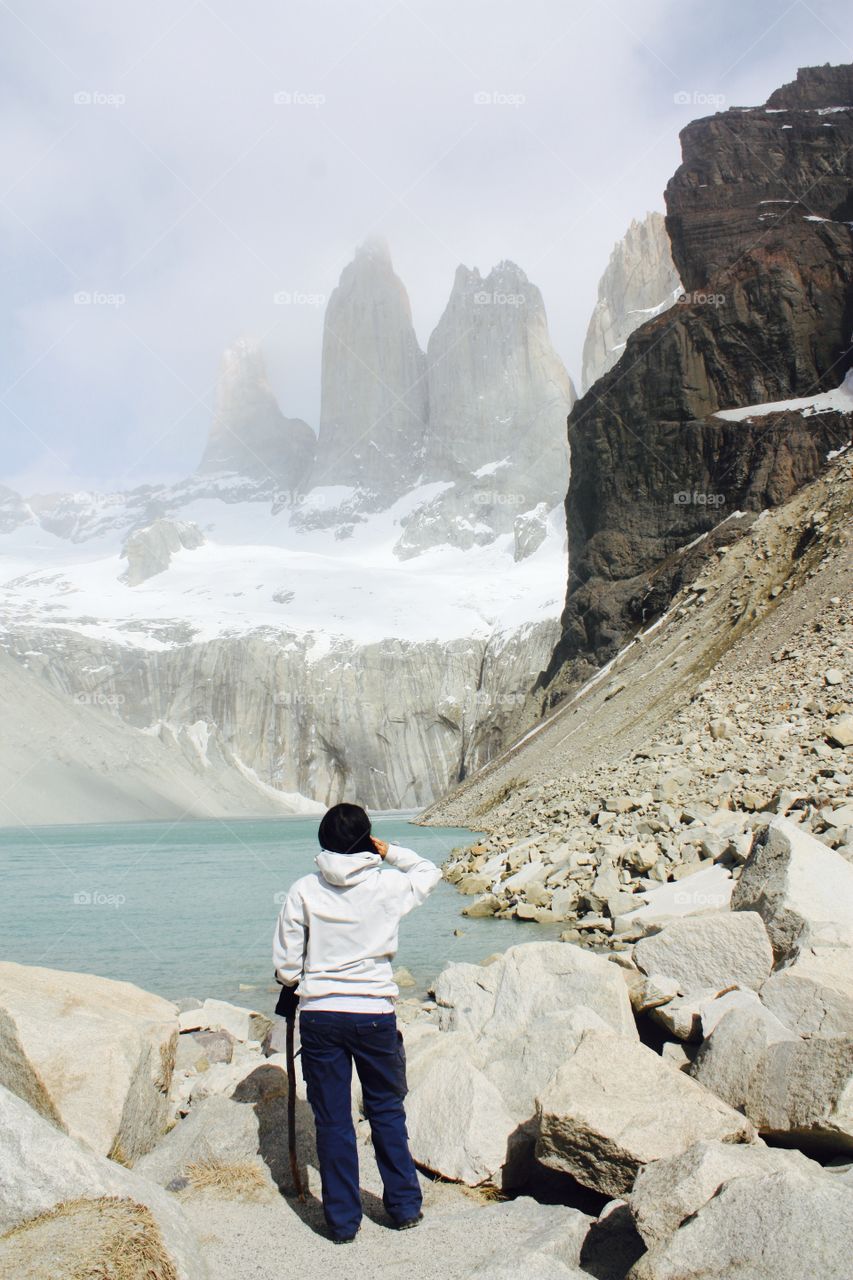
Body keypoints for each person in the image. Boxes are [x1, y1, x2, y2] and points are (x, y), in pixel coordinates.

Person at [272, 802, 442, 1243]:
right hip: (374, 1014)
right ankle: (404, 1207)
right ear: (367, 840)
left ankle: (343, 1222)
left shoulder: (303, 889)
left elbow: (288, 966)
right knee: (386, 1109)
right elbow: (428, 872)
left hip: (321, 1015)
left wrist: (296, 980)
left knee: (332, 1119)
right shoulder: (388, 885)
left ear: (323, 842)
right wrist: (390, 852)